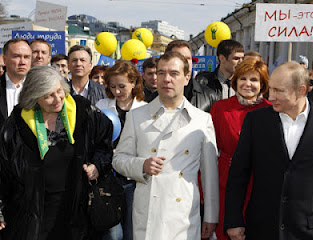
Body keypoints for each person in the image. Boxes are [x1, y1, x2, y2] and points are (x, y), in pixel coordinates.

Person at [112, 51, 219, 240]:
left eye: (174, 73)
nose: (166, 79)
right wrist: (141, 165)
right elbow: (119, 159)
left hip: (184, 214)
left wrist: (210, 216)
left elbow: (210, 174)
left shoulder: (202, 120)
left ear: (187, 78)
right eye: (161, 73)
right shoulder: (137, 116)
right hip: (148, 213)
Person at [0, 66, 113, 240]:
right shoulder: (17, 124)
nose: (57, 99)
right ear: (34, 97)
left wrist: (97, 165)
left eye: (59, 91)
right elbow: (4, 171)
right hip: (33, 211)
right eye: (48, 96)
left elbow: (104, 145)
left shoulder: (83, 111)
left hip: (76, 207)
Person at [224, 62, 313, 240]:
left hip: (310, 231)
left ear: (300, 90)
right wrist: (233, 220)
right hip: (261, 228)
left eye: (279, 91)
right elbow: (238, 173)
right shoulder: (256, 120)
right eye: (271, 89)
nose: (271, 96)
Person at [210, 58, 271, 240]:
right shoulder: (221, 108)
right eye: (243, 79)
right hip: (227, 182)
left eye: (254, 80)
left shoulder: (271, 110)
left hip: (260, 183)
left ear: (262, 84)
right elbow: (210, 148)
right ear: (235, 81)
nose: (248, 84)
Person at [96, 60, 146, 240]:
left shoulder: (146, 108)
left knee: (133, 230)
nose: (117, 91)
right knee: (113, 232)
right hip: (108, 179)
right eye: (113, 86)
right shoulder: (101, 106)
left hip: (134, 179)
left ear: (134, 83)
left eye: (122, 86)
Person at [165, 40, 216, 113]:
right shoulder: (155, 98)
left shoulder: (210, 96)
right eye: (180, 58)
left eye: (188, 58)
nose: (185, 62)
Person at [0, 38, 32, 127]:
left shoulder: (38, 89)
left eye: (26, 57)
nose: (22, 62)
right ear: (4, 59)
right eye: (16, 56)